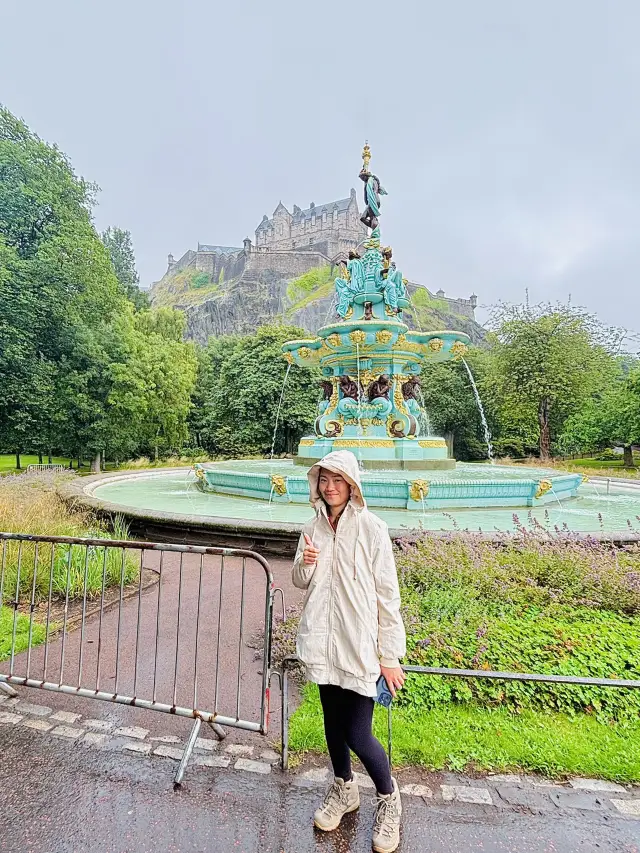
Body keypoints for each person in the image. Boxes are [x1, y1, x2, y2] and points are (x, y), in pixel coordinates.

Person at [292, 450, 406, 853]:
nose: (330, 487)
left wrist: (389, 655)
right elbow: (299, 580)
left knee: (358, 732)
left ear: (352, 485)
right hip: (323, 641)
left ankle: (389, 799)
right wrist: (304, 564)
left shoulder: (372, 528)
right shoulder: (312, 527)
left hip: (359, 647)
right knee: (332, 725)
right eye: (324, 479)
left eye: (337, 480)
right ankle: (343, 788)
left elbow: (387, 596)